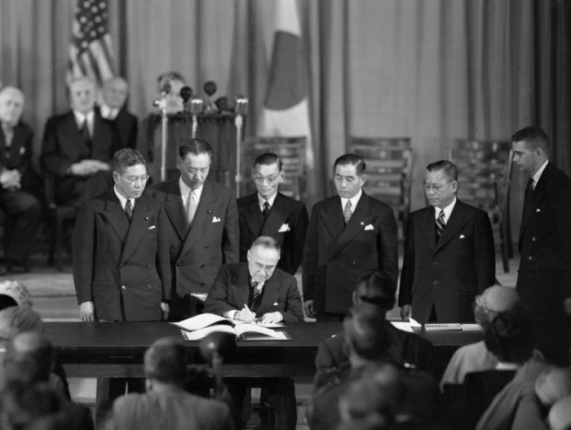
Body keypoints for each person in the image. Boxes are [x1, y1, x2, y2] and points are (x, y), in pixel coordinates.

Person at [205, 236, 303, 430]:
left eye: (270, 267)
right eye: (258, 265)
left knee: (283, 387)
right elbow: (212, 303)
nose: (263, 272)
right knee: (229, 389)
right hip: (235, 354)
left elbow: (298, 317)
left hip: (271, 356)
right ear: (249, 256)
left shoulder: (287, 281)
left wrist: (278, 315)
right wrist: (235, 314)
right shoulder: (228, 272)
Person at [72, 148, 170, 322]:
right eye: (133, 179)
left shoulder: (155, 207)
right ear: (116, 177)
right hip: (110, 297)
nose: (139, 184)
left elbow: (163, 257)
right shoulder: (94, 208)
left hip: (147, 296)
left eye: (143, 178)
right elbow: (83, 259)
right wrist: (85, 299)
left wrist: (166, 298)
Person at [149, 138, 239, 320]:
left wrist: (228, 292)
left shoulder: (224, 196)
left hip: (209, 290)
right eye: (191, 170)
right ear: (179, 163)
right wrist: (158, 292)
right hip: (170, 290)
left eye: (204, 170)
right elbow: (148, 250)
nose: (198, 176)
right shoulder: (155, 194)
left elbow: (231, 250)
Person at [303, 153, 398, 321]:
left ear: (362, 179)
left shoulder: (381, 212)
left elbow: (389, 264)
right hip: (328, 298)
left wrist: (386, 299)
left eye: (349, 179)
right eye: (338, 178)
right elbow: (311, 255)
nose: (342, 184)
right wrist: (309, 294)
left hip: (365, 300)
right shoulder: (321, 210)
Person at [399, 160, 496, 323]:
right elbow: (409, 264)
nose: (431, 192)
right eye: (427, 186)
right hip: (423, 305)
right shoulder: (416, 219)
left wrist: (484, 305)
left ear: (453, 186)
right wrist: (405, 300)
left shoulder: (475, 219)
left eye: (436, 187)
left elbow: (485, 268)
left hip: (461, 305)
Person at [313, 270, 434, 393]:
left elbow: (320, 399)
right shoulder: (418, 346)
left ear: (355, 298)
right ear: (392, 303)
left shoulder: (331, 349)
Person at [511, 126, 571, 365]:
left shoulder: (559, 186)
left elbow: (568, 243)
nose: (514, 160)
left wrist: (569, 292)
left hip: (550, 290)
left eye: (519, 153)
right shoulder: (534, 183)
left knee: (551, 354)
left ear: (537, 153)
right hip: (532, 284)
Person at [103, 337, 234, 430]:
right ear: (184, 373)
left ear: (148, 377)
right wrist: (225, 402)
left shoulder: (124, 407)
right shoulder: (216, 412)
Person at [41, 76, 116, 207]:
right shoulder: (55, 124)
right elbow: (47, 159)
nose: (83, 97)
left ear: (95, 96)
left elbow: (122, 157)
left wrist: (103, 166)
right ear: (71, 98)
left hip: (104, 180)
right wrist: (71, 168)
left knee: (101, 181)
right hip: (70, 184)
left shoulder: (110, 125)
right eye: (78, 93)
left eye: (87, 92)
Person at [1, 332, 94, 430]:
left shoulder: (6, 412)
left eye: (8, 360)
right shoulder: (78, 416)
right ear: (52, 363)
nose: (4, 364)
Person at [238, 153, 308, 275]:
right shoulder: (238, 207)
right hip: (244, 277)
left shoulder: (296, 210)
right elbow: (232, 249)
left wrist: (280, 278)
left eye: (271, 178)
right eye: (259, 177)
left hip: (279, 278)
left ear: (281, 176)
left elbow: (297, 253)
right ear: (253, 174)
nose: (264, 184)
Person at [0, 86, 42, 275]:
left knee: (31, 205)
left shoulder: (25, 132)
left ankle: (12, 258)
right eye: (8, 103)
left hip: (12, 188)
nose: (12, 108)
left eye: (17, 105)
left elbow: (26, 162)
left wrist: (16, 175)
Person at [100, 77, 138, 151]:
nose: (117, 96)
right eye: (113, 90)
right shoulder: (91, 114)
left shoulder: (131, 120)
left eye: (122, 93)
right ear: (103, 91)